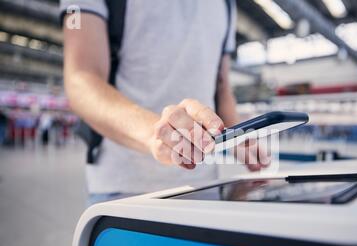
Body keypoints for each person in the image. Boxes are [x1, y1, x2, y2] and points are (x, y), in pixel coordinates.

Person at [61, 0, 270, 205]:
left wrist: (238, 136)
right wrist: (157, 134)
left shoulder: (227, 4)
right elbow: (81, 78)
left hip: (205, 185)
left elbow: (221, 86)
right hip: (124, 191)